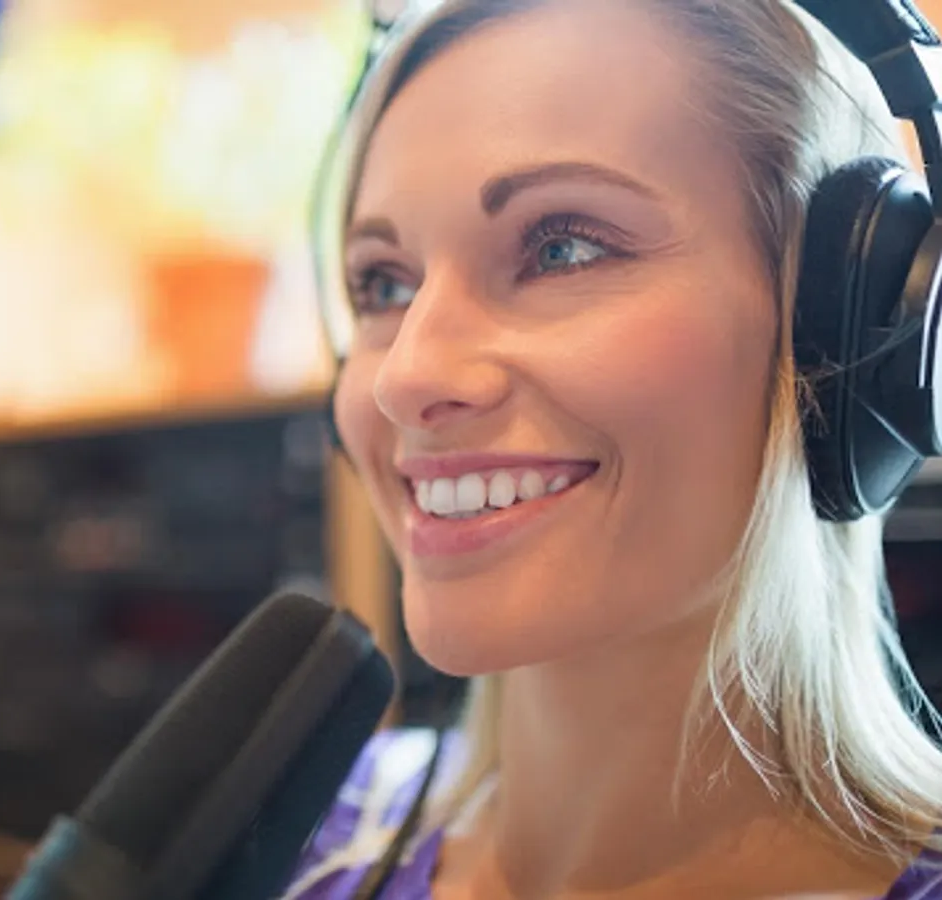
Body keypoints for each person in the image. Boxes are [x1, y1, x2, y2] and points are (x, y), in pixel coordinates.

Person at [283, 0, 942, 897]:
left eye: (562, 248)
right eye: (383, 284)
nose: (406, 376)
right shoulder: (291, 832)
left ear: (840, 327)